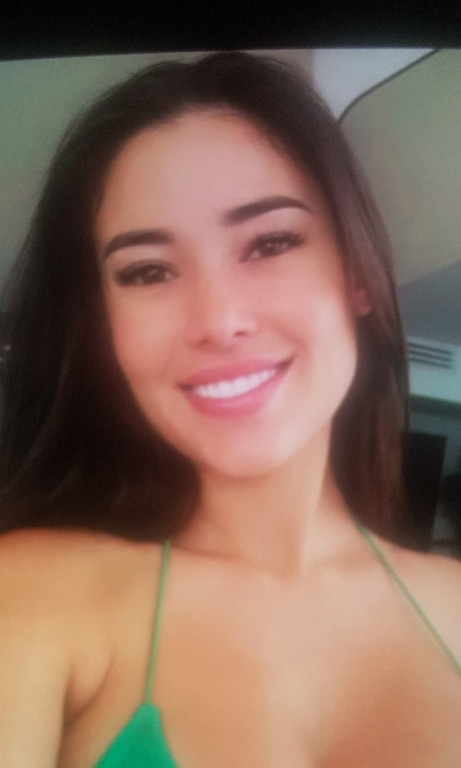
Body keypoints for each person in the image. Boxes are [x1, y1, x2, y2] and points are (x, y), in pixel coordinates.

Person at [0, 51, 460, 768]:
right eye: (147, 271)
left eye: (270, 243)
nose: (217, 320)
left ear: (358, 273)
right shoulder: (31, 594)